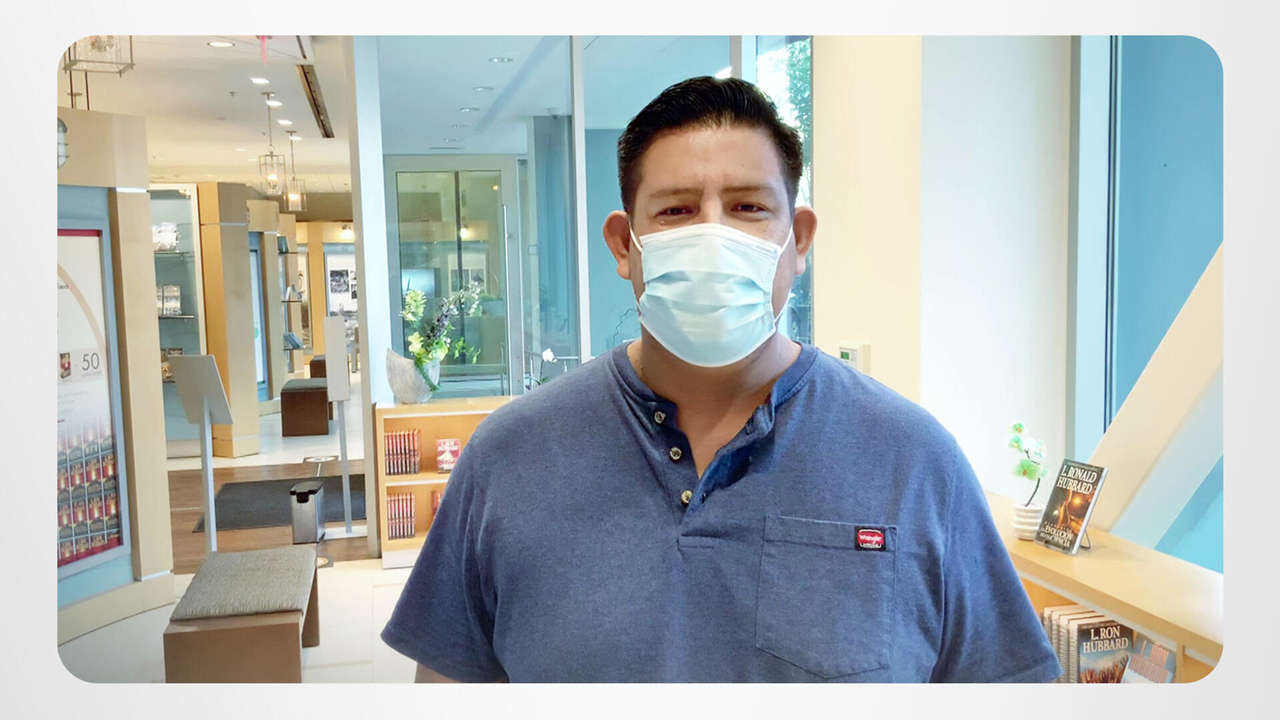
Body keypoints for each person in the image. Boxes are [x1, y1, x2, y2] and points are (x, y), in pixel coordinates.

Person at [381, 76, 1060, 683]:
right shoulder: (509, 457)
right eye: (676, 211)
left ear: (799, 239)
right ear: (624, 245)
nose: (713, 236)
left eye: (748, 208)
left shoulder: (914, 462)